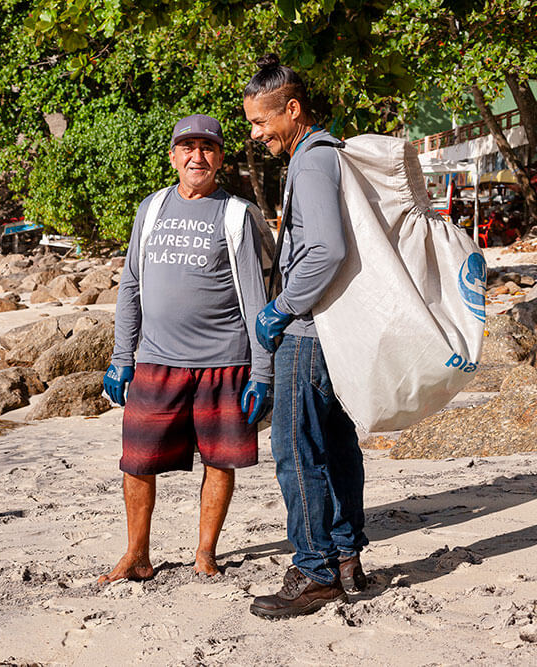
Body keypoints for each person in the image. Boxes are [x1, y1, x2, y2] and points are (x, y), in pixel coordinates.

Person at [99, 114, 273, 583]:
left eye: (208, 148)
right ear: (173, 155)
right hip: (156, 362)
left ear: (219, 157)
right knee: (136, 463)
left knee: (220, 461)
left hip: (225, 363)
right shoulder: (150, 209)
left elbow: (257, 298)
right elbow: (131, 286)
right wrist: (121, 357)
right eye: (188, 148)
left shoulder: (236, 214)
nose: (198, 157)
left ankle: (205, 553)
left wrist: (263, 372)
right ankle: (136, 554)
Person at [242, 54, 369, 619]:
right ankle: (345, 559)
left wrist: (280, 309)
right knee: (337, 445)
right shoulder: (328, 154)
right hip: (332, 330)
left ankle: (314, 570)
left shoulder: (312, 163)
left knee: (296, 451)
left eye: (260, 122)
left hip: (308, 332)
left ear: (291, 111)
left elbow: (328, 250)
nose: (256, 134)